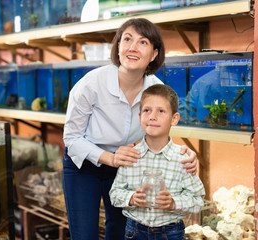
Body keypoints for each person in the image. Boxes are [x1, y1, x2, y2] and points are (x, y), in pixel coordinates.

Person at [63, 18, 198, 240]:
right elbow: (72, 137)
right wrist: (110, 157)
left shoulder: (156, 90)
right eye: (127, 39)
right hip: (83, 165)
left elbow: (158, 131)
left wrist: (184, 153)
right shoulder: (91, 84)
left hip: (126, 166)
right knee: (84, 234)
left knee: (120, 232)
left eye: (143, 42)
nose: (133, 47)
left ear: (154, 54)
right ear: (118, 47)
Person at [109, 84, 205, 239]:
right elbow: (114, 194)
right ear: (140, 116)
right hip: (135, 230)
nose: (152, 116)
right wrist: (132, 198)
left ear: (174, 119)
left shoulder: (182, 159)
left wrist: (174, 203)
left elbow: (197, 200)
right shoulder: (131, 156)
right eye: (147, 110)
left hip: (171, 232)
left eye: (161, 111)